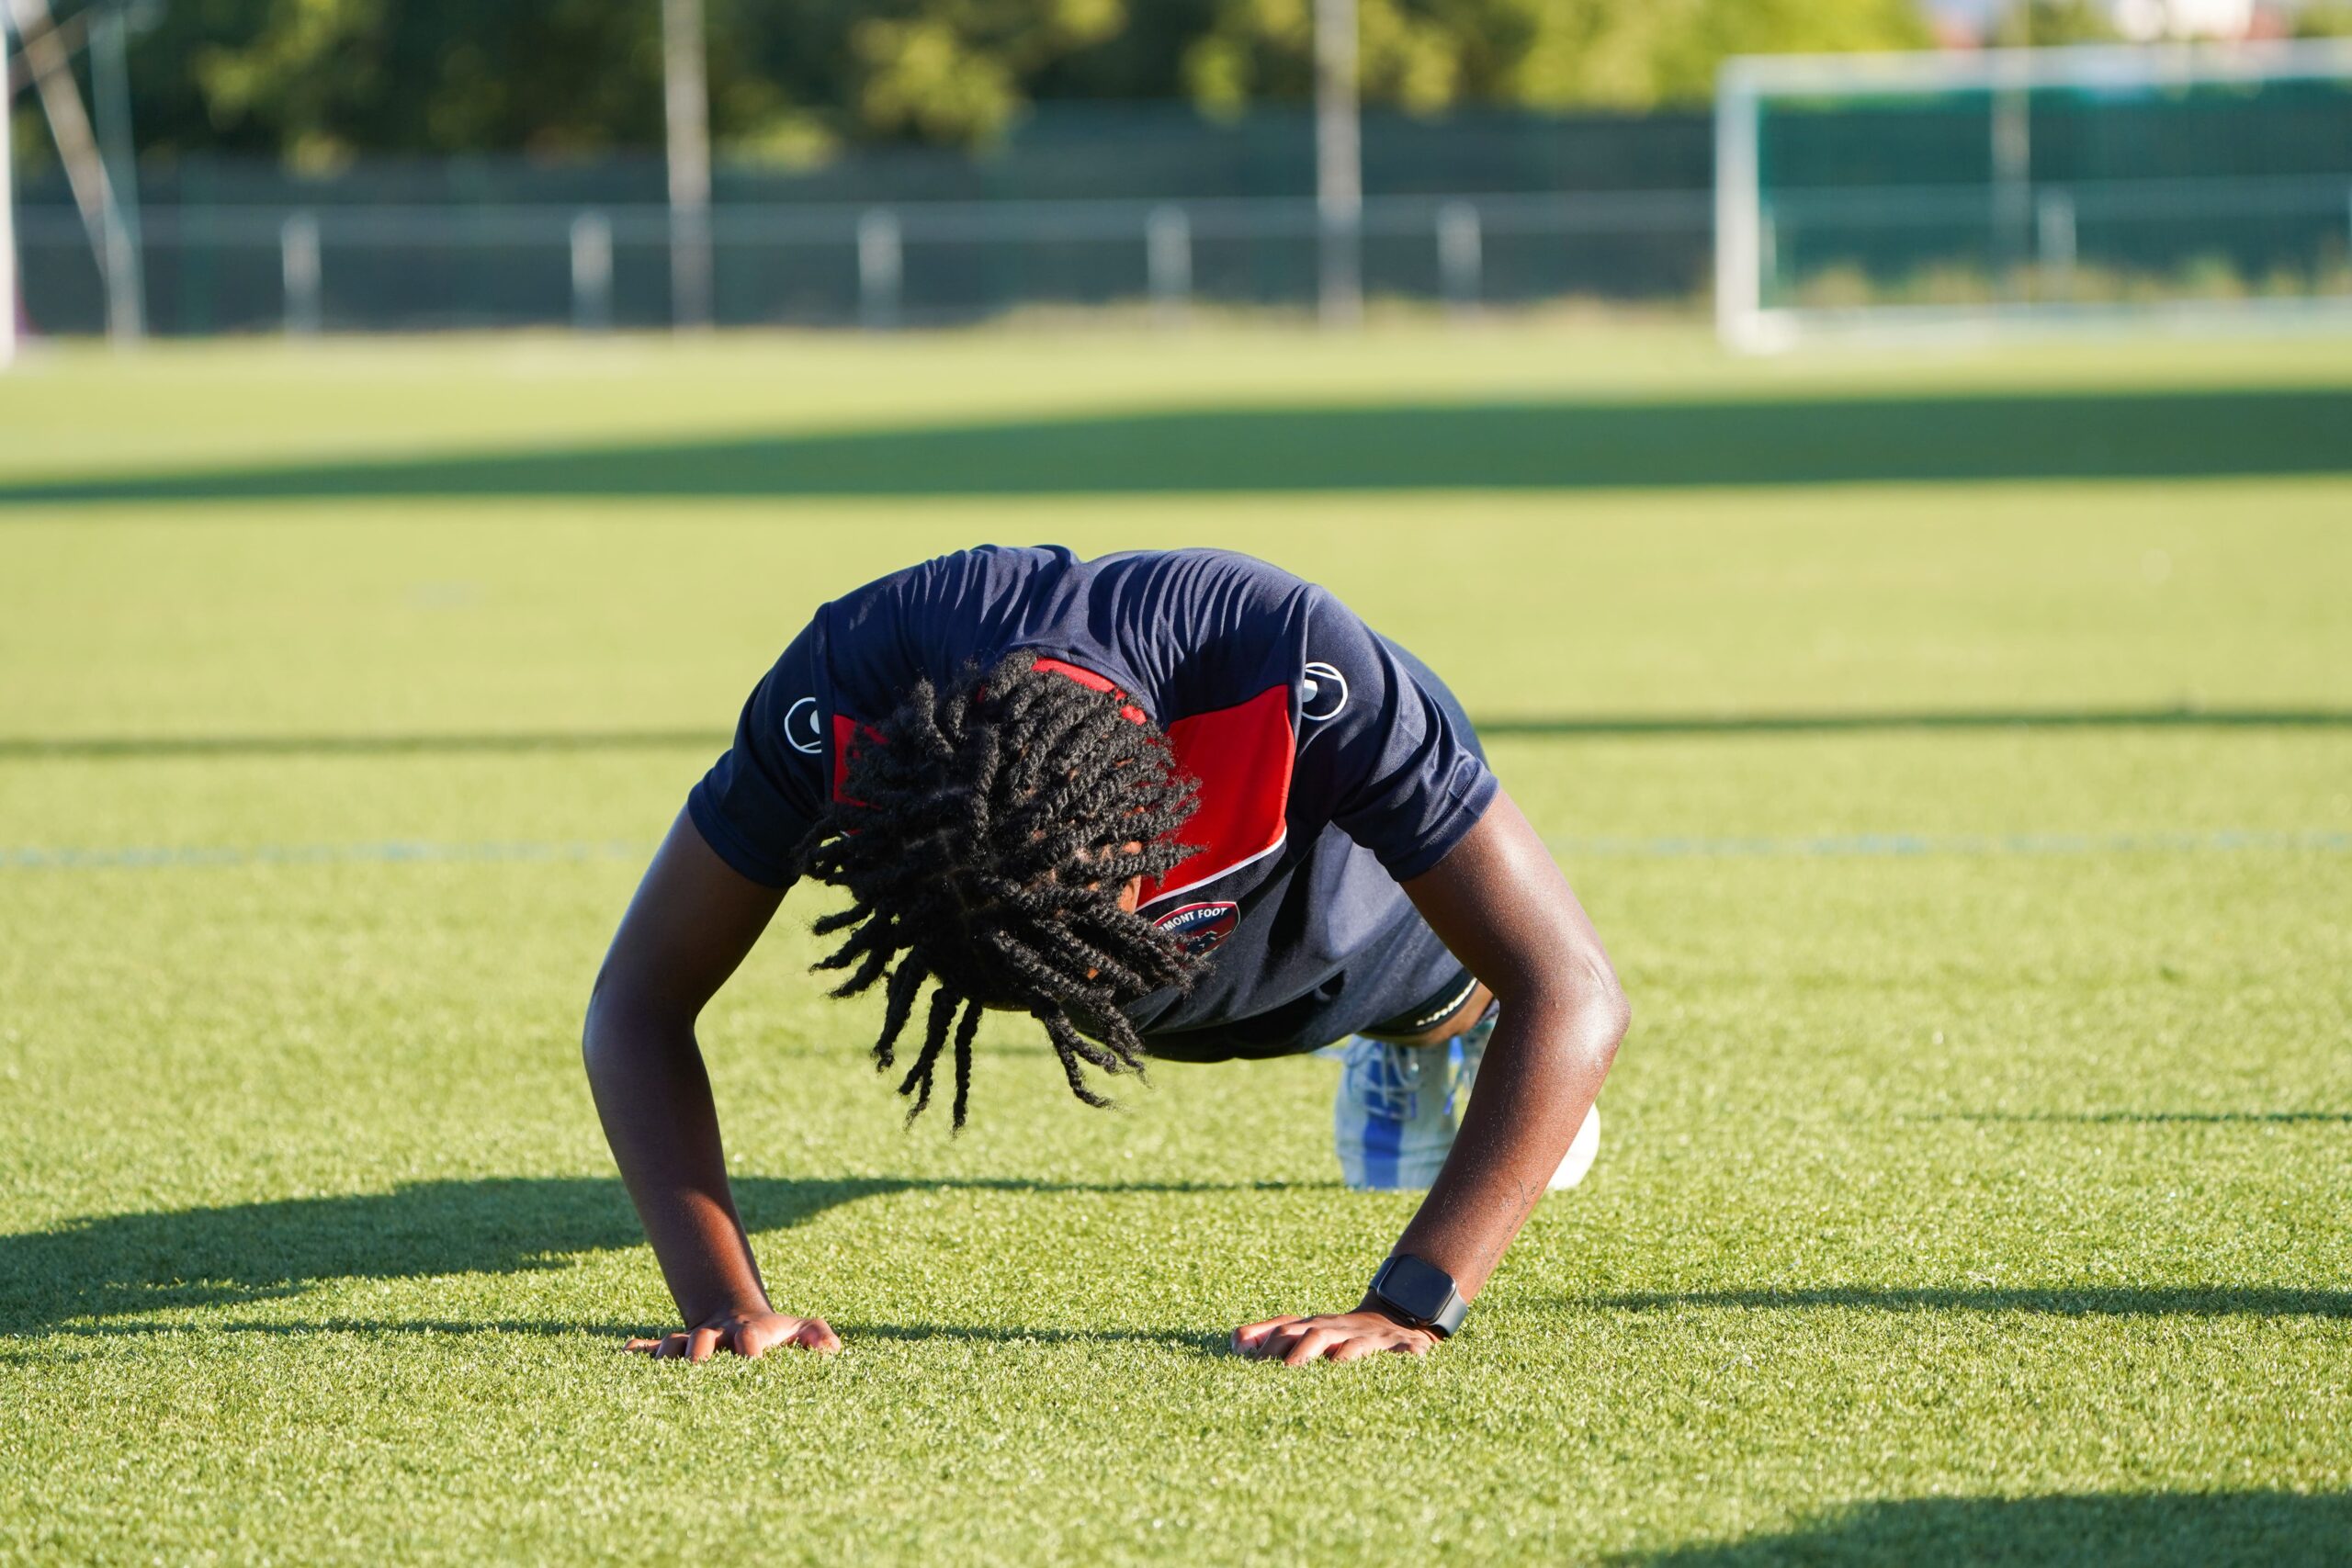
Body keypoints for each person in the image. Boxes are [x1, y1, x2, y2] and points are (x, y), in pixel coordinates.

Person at [583, 546, 1628, 1367]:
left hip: (1326, 893)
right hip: (1072, 886)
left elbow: (1574, 990)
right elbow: (635, 1004)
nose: (1077, 994)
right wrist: (726, 1303)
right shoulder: (841, 690)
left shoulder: (1289, 655)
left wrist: (1411, 1304)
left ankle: (1441, 1029)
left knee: (1426, 976)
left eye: (1087, 952)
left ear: (1143, 843)